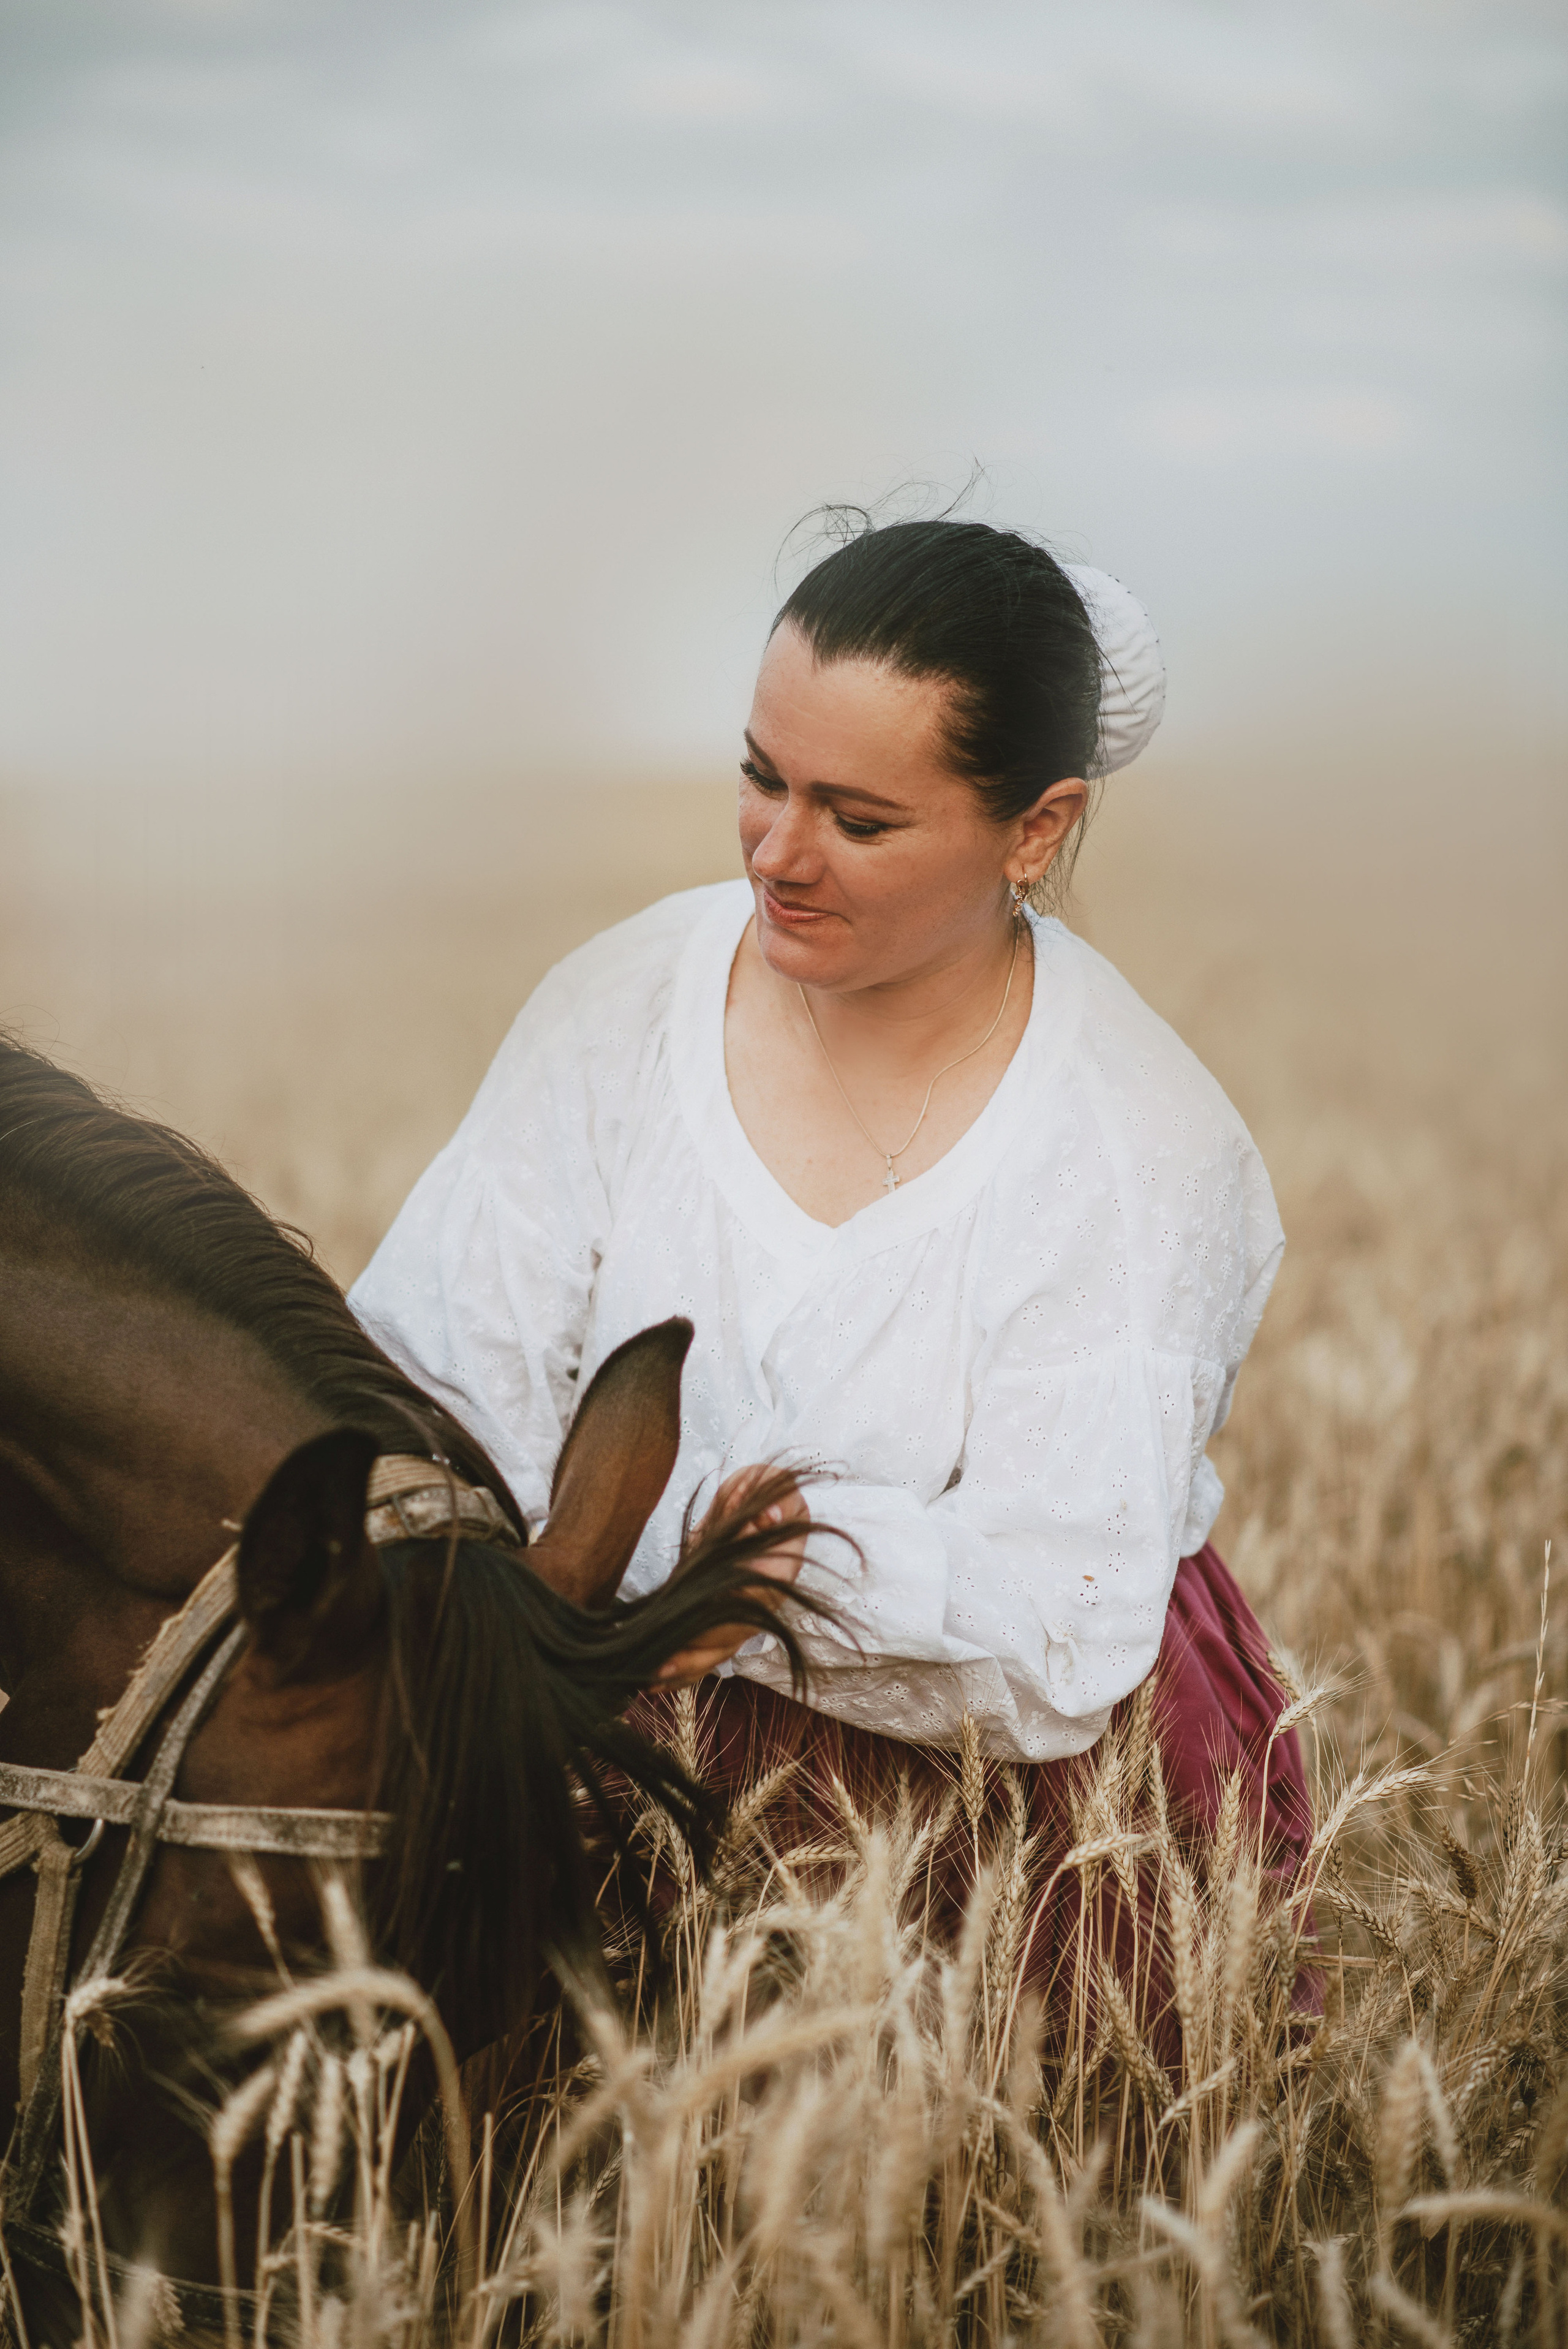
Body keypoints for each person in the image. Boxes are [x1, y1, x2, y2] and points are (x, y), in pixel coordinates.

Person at [350, 516, 1313, 2033]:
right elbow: (429, 1374)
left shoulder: (1138, 1145)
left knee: (963, 2254)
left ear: (1036, 829)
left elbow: (1052, 1626)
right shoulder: (619, 1006)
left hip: (1010, 1823)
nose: (774, 854)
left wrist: (770, 1571)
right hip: (574, 1709)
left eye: (856, 820)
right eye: (758, 777)